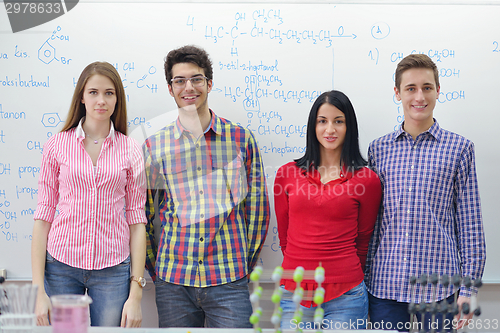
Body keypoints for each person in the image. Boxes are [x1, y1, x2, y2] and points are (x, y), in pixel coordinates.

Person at [143, 45, 270, 328]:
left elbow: (257, 210)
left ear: (209, 83)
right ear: (170, 88)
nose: (189, 87)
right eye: (180, 80)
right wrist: (156, 268)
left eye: (196, 79)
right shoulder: (154, 146)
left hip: (228, 281)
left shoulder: (240, 139)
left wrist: (242, 264)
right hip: (173, 282)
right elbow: (143, 216)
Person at [365, 54, 486, 332]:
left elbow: (469, 224)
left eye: (427, 87)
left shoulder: (460, 149)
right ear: (397, 93)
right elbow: (371, 222)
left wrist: (469, 289)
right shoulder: (378, 149)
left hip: (439, 290)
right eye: (410, 88)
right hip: (385, 287)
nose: (419, 96)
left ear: (438, 90)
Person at [32, 62, 147, 328]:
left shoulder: (131, 149)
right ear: (81, 97)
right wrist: (38, 292)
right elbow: (43, 217)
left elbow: (137, 221)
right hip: (60, 265)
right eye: (93, 92)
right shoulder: (56, 146)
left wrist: (137, 293)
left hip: (113, 268)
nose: (101, 100)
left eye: (109, 93)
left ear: (117, 99)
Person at [274, 90, 382, 330]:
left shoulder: (367, 180)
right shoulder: (286, 175)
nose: (330, 129)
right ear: (313, 126)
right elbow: (285, 236)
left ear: (349, 127)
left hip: (346, 295)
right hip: (295, 293)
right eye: (322, 121)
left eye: (338, 121)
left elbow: (364, 238)